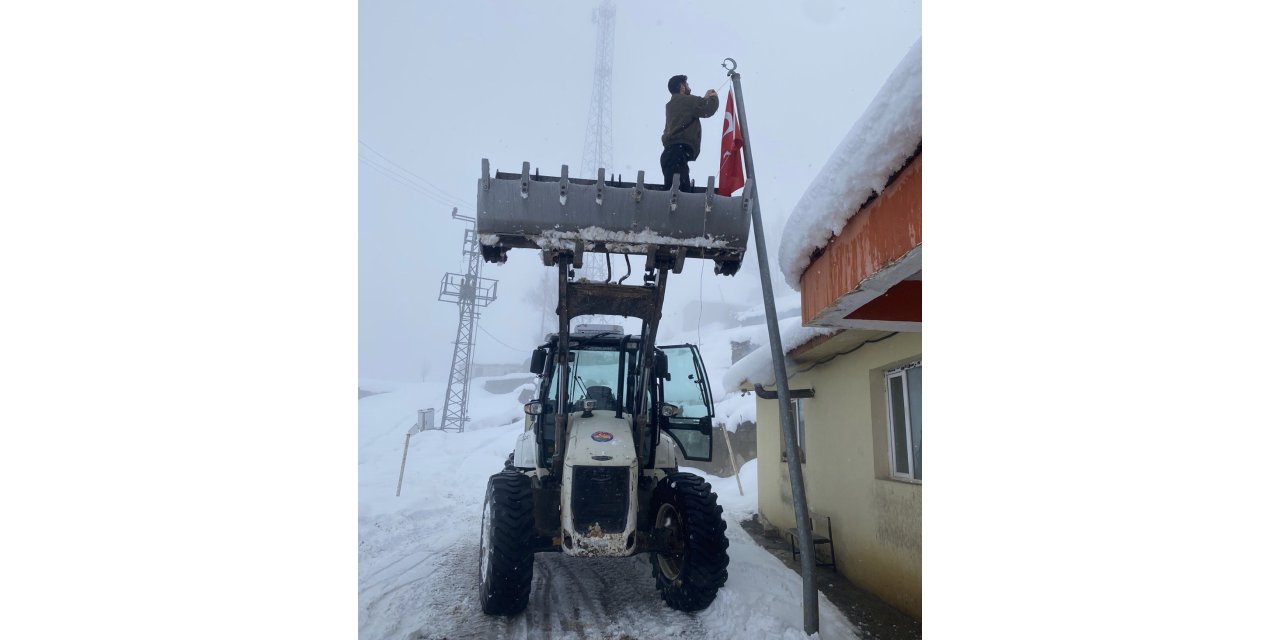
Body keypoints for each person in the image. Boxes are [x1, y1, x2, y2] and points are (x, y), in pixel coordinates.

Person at [660, 74, 719, 192]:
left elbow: (691, 108)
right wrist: (713, 97)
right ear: (682, 87)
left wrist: (704, 98)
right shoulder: (685, 101)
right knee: (679, 194)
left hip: (671, 153)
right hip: (677, 152)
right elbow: (708, 109)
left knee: (673, 192)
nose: (688, 86)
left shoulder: (673, 103)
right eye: (686, 84)